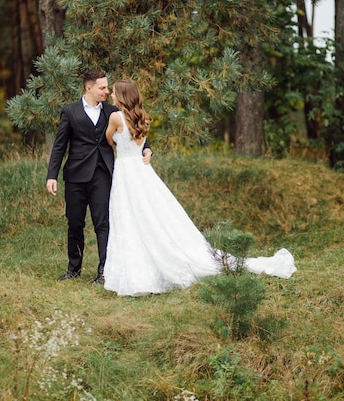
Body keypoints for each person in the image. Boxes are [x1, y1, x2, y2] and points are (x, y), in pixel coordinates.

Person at [103, 79, 297, 297]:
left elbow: (109, 140)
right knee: (150, 215)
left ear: (122, 95)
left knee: (128, 217)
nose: (111, 95)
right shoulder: (143, 117)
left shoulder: (115, 117)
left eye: (114, 92)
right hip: (142, 171)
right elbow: (140, 144)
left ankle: (136, 274)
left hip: (126, 172)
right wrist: (146, 151)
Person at [46, 69, 152, 284]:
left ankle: (104, 271)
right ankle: (73, 268)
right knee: (74, 223)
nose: (106, 91)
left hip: (102, 174)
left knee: (103, 223)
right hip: (75, 175)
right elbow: (59, 146)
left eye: (107, 87)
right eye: (102, 87)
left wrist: (147, 149)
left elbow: (134, 131)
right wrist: (52, 175)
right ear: (89, 88)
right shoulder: (70, 111)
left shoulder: (113, 112)